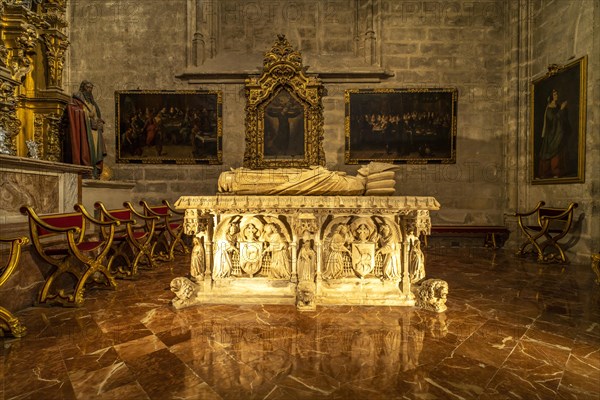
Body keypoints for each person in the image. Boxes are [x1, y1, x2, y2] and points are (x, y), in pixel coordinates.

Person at [63, 80, 106, 178]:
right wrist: (85, 114)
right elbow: (72, 110)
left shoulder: (92, 102)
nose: (89, 90)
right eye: (87, 87)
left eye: (91, 88)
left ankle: (95, 172)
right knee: (87, 149)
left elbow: (96, 115)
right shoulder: (76, 100)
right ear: (82, 88)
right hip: (85, 131)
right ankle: (87, 171)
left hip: (95, 131)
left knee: (96, 151)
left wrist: (99, 121)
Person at [537, 89, 571, 179]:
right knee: (548, 153)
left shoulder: (558, 106)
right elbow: (553, 120)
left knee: (559, 150)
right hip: (551, 134)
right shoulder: (549, 108)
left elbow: (562, 120)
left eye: (557, 94)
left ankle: (557, 172)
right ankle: (547, 173)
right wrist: (561, 110)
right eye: (554, 94)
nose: (556, 96)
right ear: (551, 96)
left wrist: (563, 110)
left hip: (558, 132)